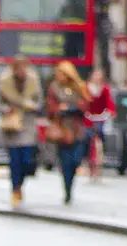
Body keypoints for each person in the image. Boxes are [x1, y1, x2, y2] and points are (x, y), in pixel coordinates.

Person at [0, 55, 42, 206]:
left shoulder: (33, 81)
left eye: (24, 68)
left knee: (27, 160)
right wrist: (6, 109)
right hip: (12, 126)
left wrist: (33, 106)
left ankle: (20, 185)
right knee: (15, 161)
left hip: (27, 125)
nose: (22, 71)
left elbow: (39, 102)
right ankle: (15, 189)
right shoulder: (4, 82)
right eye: (19, 68)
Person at [47, 61, 90, 204]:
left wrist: (72, 107)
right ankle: (67, 190)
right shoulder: (54, 88)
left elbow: (86, 105)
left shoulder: (80, 86)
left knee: (76, 160)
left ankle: (71, 180)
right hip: (62, 130)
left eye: (62, 73)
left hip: (77, 129)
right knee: (65, 162)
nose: (59, 76)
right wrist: (59, 108)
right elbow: (50, 108)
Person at [85, 67, 115, 182]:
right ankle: (88, 164)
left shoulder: (105, 89)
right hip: (89, 119)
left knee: (101, 137)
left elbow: (109, 103)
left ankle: (100, 164)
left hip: (100, 119)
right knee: (87, 139)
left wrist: (110, 112)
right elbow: (84, 103)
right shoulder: (87, 88)